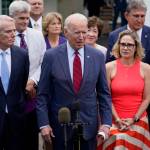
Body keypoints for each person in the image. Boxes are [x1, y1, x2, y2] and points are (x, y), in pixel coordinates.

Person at [36, 13, 112, 150]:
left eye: (84, 32)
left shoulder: (98, 56)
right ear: (65, 32)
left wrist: (106, 123)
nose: (82, 37)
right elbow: (42, 94)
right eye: (77, 33)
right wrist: (43, 124)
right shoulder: (51, 56)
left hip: (88, 125)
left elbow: (104, 93)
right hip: (60, 126)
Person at [99, 30, 150, 149]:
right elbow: (106, 97)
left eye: (130, 45)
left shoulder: (146, 68)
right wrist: (117, 120)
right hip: (113, 120)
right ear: (118, 45)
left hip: (138, 120)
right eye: (123, 44)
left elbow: (147, 98)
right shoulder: (109, 67)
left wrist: (134, 119)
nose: (125, 48)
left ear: (136, 47)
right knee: (119, 139)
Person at [106, 0, 150, 127]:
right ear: (126, 15)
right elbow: (110, 63)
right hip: (120, 101)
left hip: (145, 97)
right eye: (136, 16)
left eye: (142, 16)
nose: (139, 19)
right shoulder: (114, 35)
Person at [9, 1, 46, 150]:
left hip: (32, 93)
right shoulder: (6, 37)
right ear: (12, 18)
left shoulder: (37, 35)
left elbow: (44, 62)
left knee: (31, 136)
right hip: (11, 95)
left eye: (27, 18)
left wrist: (32, 81)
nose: (25, 21)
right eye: (21, 18)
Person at [0, 15, 29, 150]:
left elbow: (22, 85)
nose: (13, 34)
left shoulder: (22, 54)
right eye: (8, 31)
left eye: (14, 31)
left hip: (16, 116)